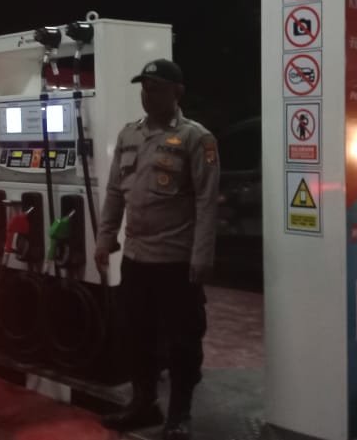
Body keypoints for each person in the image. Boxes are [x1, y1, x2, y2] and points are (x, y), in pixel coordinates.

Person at [96, 59, 220, 440]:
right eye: (144, 87)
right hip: (136, 260)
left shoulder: (196, 138)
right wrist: (105, 237)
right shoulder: (129, 135)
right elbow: (115, 192)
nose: (147, 95)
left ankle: (179, 415)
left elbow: (207, 201)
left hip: (176, 262)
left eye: (156, 88)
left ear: (177, 92)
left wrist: (202, 255)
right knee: (136, 336)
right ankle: (143, 403)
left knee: (182, 342)